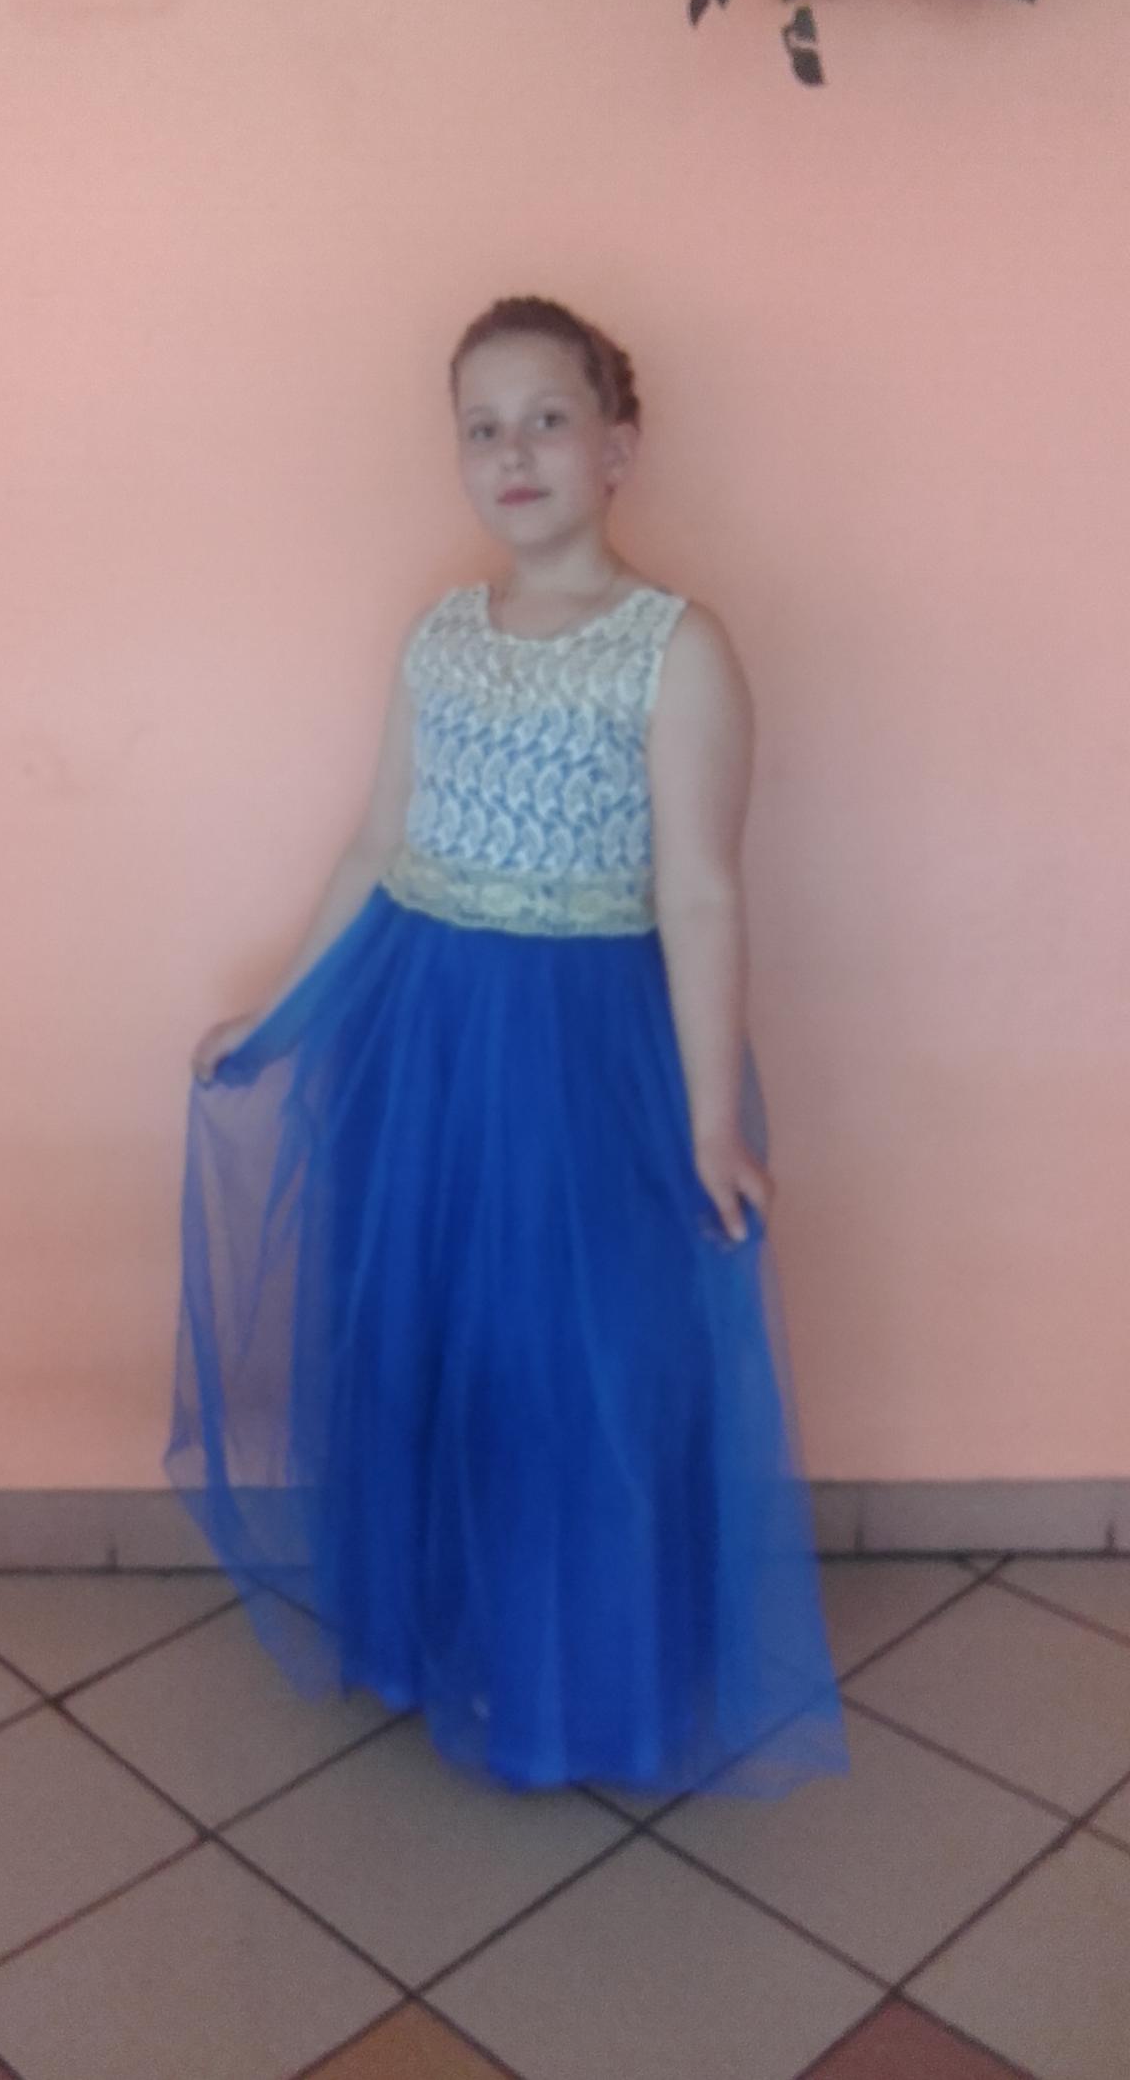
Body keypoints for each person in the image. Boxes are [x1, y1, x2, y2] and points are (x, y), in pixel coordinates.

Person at [167, 294, 849, 1797]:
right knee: (432, 1345)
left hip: (581, 1056)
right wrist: (281, 1016)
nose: (514, 452)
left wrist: (710, 1119)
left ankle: (573, 1680)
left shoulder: (675, 648)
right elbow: (376, 847)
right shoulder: (441, 636)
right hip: (422, 1043)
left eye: (548, 418)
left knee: (570, 1365)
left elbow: (701, 888)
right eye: (483, 428)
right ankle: (443, 1640)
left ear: (619, 447)